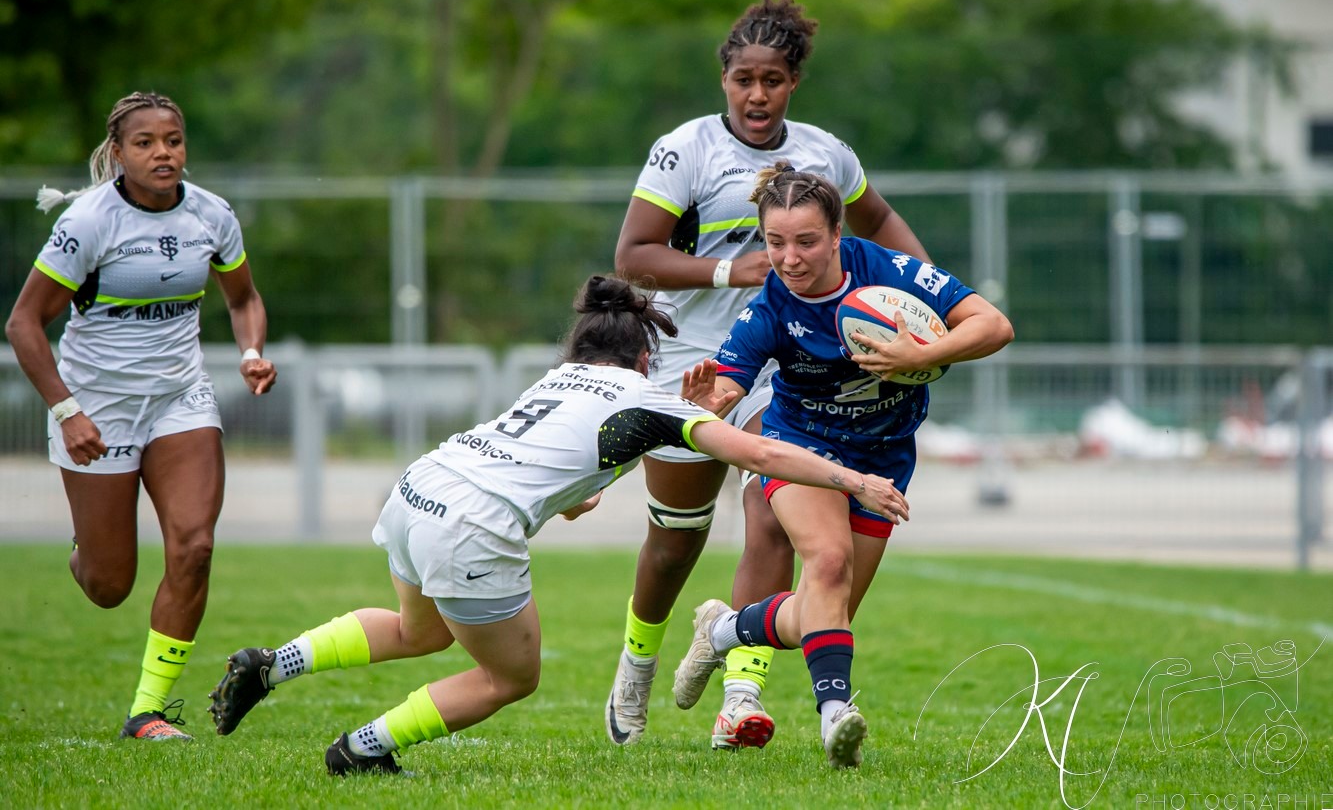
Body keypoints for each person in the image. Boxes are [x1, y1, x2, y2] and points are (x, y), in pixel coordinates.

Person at [205, 274, 908, 776]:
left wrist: (686, 420)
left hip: (420, 488)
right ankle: (361, 748)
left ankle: (275, 663)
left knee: (418, 630)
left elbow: (570, 486)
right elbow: (758, 452)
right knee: (509, 676)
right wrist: (853, 480)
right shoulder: (648, 396)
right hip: (472, 524)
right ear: (642, 356)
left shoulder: (555, 380)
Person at [608, 0, 932, 750]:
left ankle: (740, 694)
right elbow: (633, 255)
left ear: (793, 84)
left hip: (783, 358)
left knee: (769, 512)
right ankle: (638, 657)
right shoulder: (684, 149)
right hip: (693, 360)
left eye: (774, 80)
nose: (757, 94)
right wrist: (732, 271)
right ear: (723, 78)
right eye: (744, 79)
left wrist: (923, 294)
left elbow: (879, 221)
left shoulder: (825, 152)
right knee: (674, 540)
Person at [669, 163, 1012, 767]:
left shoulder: (889, 271)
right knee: (828, 561)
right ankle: (837, 718)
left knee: (825, 614)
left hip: (885, 454)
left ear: (835, 236)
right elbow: (726, 386)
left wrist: (922, 351)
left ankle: (721, 632)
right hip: (802, 448)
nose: (790, 258)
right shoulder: (770, 308)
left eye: (805, 242)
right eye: (775, 243)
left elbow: (994, 325)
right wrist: (710, 401)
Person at [4, 91, 277, 741]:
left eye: (174, 140)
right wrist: (66, 409)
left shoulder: (211, 214)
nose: (164, 153)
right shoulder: (90, 222)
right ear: (119, 153)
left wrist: (250, 351)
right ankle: (88, 546)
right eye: (147, 142)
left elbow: (243, 298)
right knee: (108, 584)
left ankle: (147, 711)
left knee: (195, 546)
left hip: (181, 399)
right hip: (95, 406)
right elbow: (23, 323)